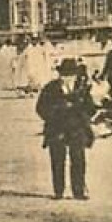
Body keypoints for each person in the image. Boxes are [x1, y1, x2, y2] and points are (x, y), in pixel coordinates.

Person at [35, 58, 96, 200]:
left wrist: (82, 115)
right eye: (64, 75)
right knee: (57, 159)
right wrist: (55, 114)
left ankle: (78, 191)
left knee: (78, 160)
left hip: (76, 128)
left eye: (70, 75)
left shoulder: (82, 89)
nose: (67, 78)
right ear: (59, 75)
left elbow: (91, 108)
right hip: (57, 129)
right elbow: (40, 108)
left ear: (75, 75)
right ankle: (58, 191)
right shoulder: (50, 88)